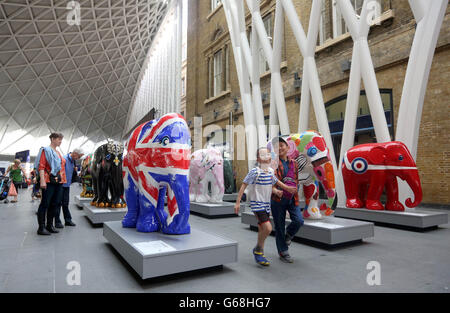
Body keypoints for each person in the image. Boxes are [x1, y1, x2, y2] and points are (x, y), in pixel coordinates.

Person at [235, 147, 297, 266]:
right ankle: (258, 249)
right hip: (257, 204)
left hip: (266, 205)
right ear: (258, 159)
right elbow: (243, 186)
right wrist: (237, 202)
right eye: (263, 155)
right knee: (268, 228)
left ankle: (259, 252)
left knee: (262, 229)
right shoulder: (254, 172)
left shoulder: (270, 171)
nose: (267, 156)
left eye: (268, 154)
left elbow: (276, 183)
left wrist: (282, 190)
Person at [270, 136, 304, 263]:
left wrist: (296, 188)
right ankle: (283, 251)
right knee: (279, 225)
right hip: (277, 199)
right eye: (276, 146)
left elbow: (295, 179)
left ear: (288, 147)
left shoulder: (294, 163)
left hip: (292, 198)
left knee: (299, 220)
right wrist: (280, 189)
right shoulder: (273, 162)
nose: (279, 148)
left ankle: (288, 235)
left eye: (281, 145)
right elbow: (272, 180)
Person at [35, 133, 67, 236]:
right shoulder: (46, 150)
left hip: (59, 181)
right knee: (45, 203)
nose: (60, 141)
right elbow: (41, 166)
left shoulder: (58, 152)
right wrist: (42, 180)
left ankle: (50, 225)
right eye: (59, 139)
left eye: (61, 139)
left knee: (55, 204)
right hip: (48, 180)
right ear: (52, 139)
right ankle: (41, 227)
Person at [54, 148, 84, 228]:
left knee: (65, 203)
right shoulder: (64, 159)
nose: (78, 158)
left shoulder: (73, 161)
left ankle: (68, 220)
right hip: (60, 185)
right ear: (74, 153)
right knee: (58, 204)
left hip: (67, 185)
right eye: (78, 156)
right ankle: (57, 222)